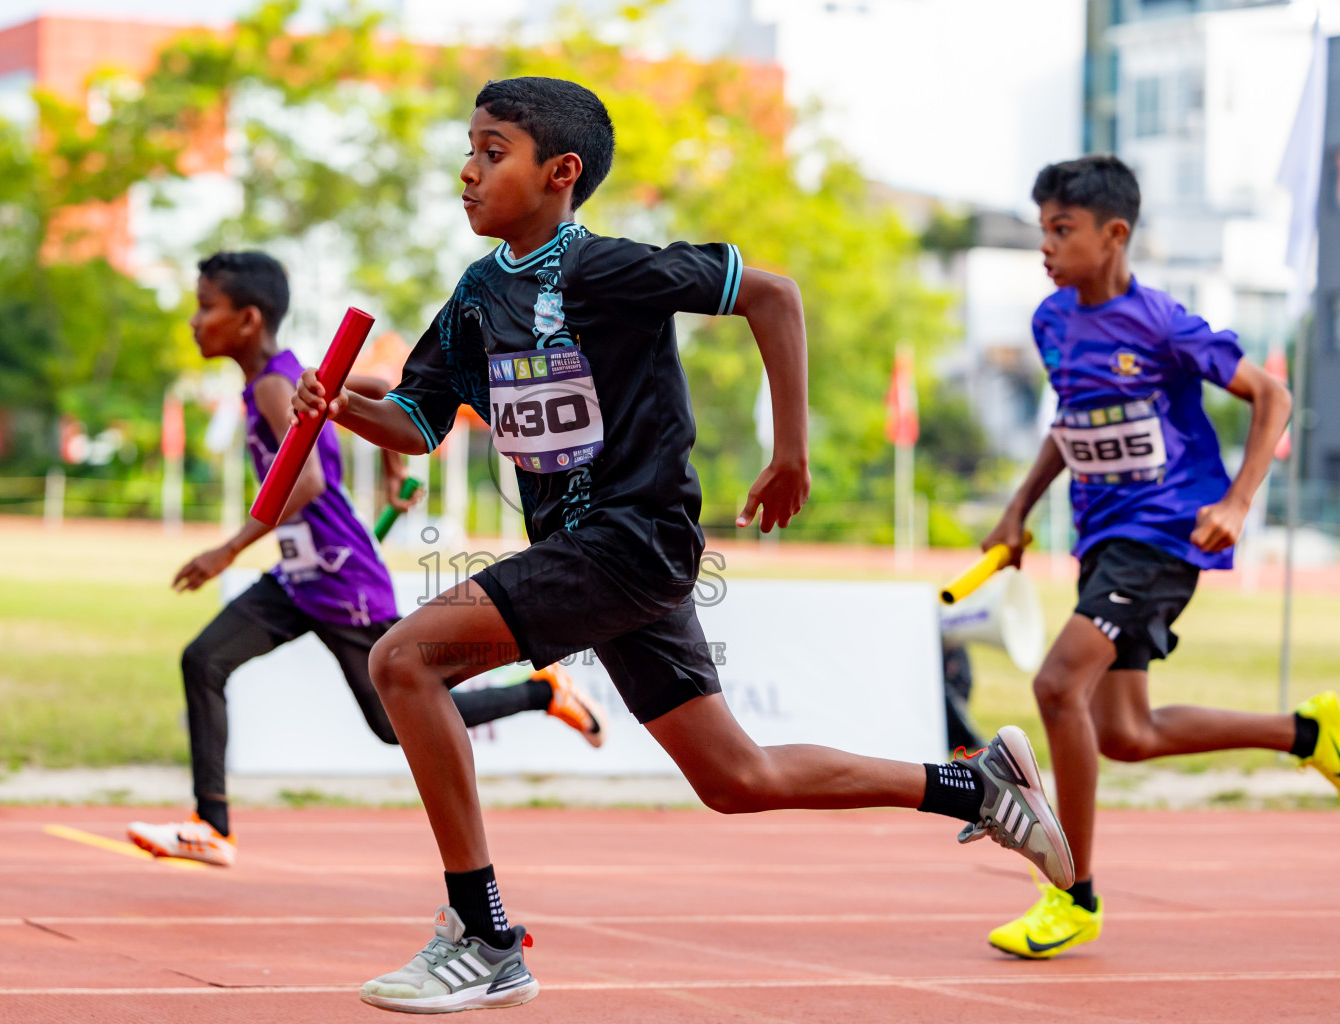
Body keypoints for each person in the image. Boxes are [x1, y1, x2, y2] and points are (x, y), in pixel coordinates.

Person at [293, 77, 1074, 1014]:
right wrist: (346, 409)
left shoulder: (608, 270)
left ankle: (485, 933)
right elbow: (420, 421)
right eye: (466, 150)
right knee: (734, 778)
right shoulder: (477, 294)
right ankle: (976, 787)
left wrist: (791, 454)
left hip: (630, 541)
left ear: (560, 173)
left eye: (492, 152)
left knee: (404, 662)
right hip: (598, 557)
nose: (467, 172)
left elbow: (774, 297)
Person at [125, 251, 609, 868]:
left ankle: (542, 693)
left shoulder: (277, 384)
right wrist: (392, 474)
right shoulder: (285, 377)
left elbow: (302, 488)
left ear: (248, 319)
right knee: (204, 660)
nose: (195, 321)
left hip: (341, 577)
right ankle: (211, 825)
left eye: (205, 307)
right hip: (301, 577)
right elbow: (380, 389)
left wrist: (226, 551)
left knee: (394, 718)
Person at [980, 154, 1339, 960]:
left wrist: (1239, 502)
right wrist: (1017, 508)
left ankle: (1071, 894)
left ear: (1115, 235)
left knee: (1055, 683)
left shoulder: (1164, 323)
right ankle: (1310, 731)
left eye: (1061, 229)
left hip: (1166, 531)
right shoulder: (1051, 321)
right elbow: (1072, 425)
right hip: (1102, 536)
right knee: (1127, 733)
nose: (1046, 244)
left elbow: (1272, 396)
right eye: (1041, 228)